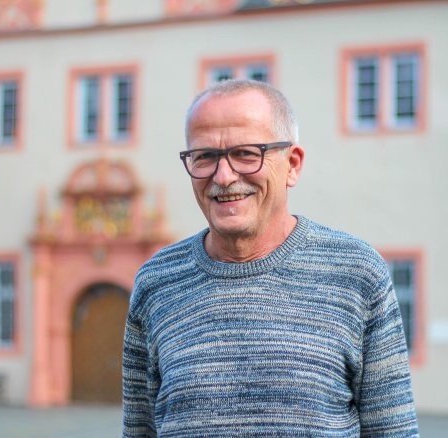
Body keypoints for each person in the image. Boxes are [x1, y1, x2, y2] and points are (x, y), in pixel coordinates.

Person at [122, 79, 419, 437]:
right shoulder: (156, 282)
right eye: (204, 157)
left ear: (292, 164)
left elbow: (394, 431)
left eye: (247, 153)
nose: (224, 176)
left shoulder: (356, 272)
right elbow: (138, 431)